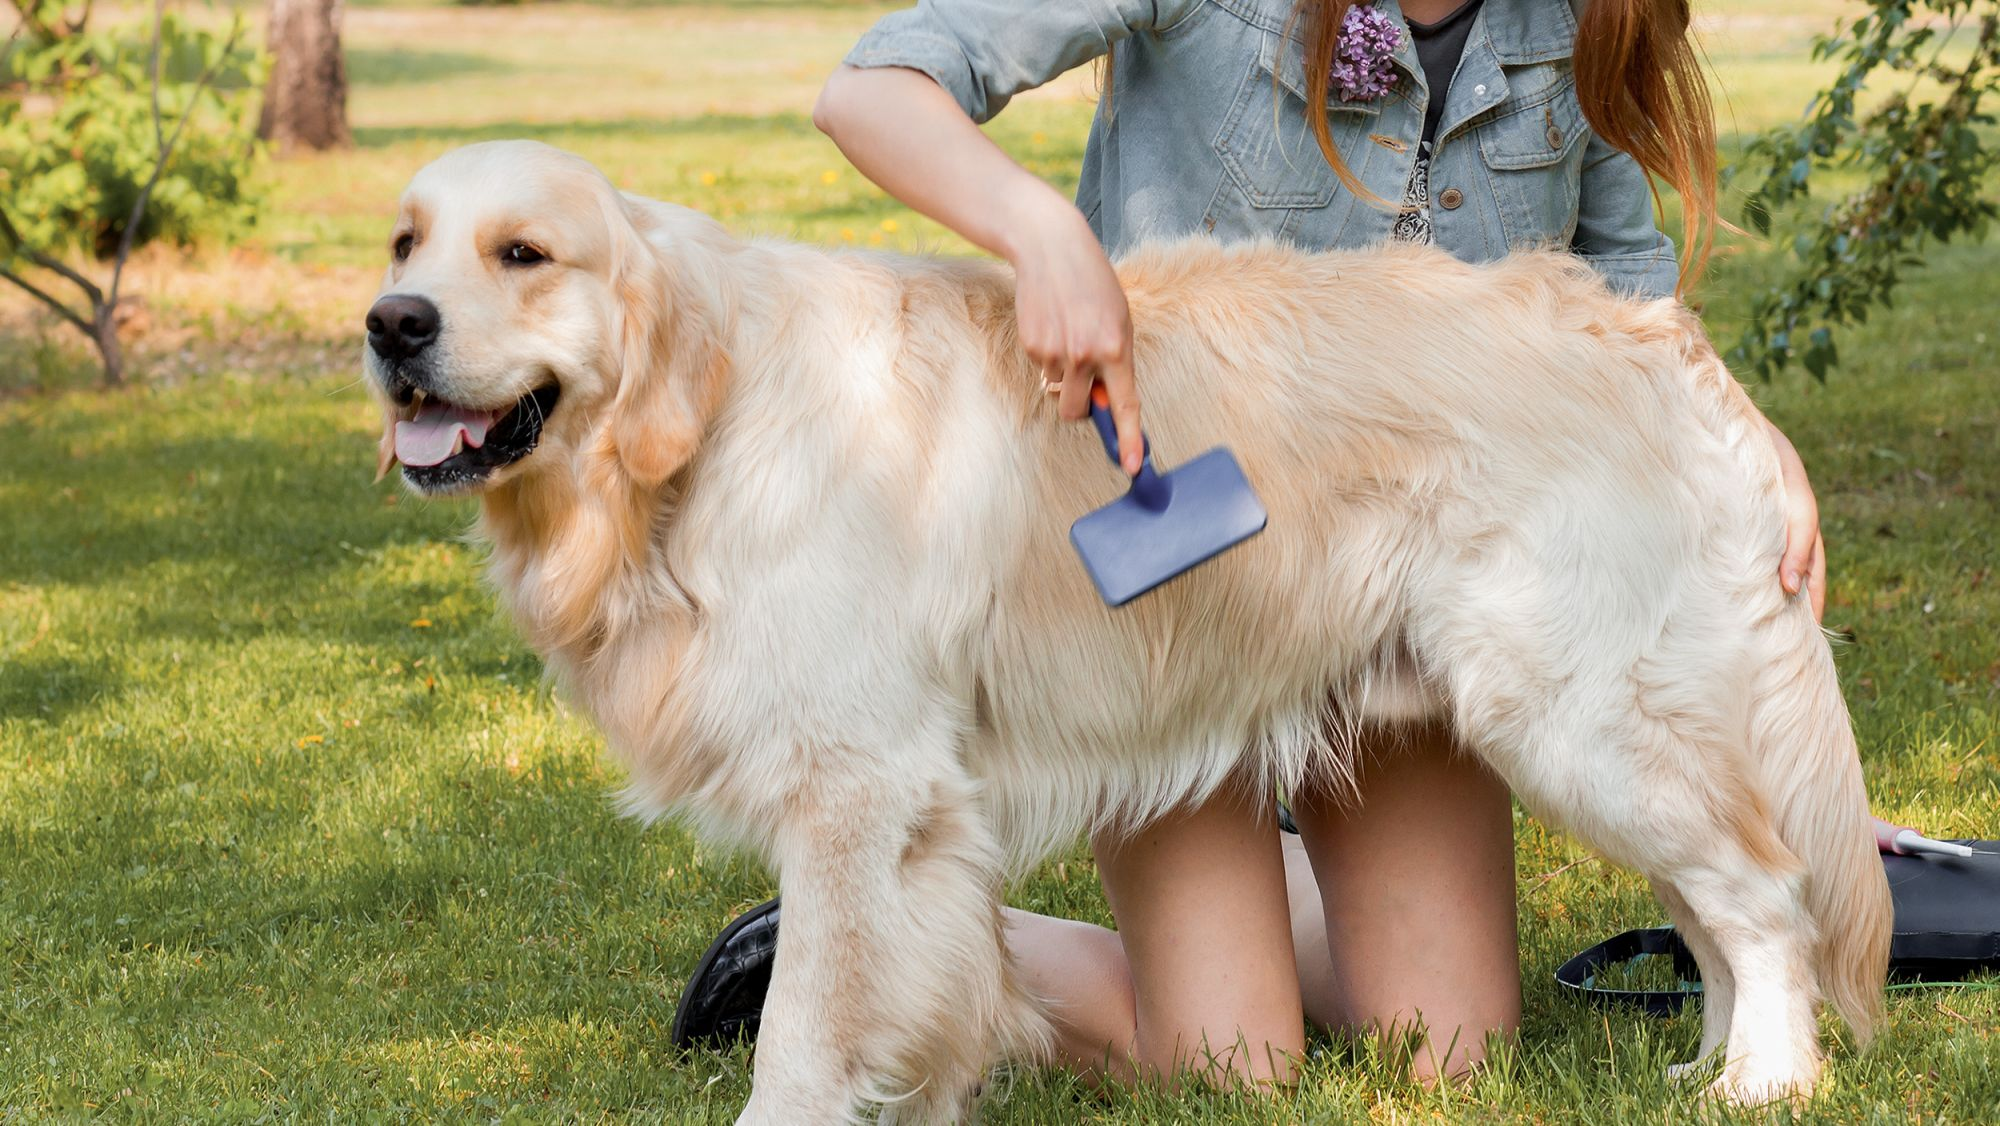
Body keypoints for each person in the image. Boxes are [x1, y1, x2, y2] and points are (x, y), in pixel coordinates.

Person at [673, 0, 1829, 1091]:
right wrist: (1041, 233)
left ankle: (956, 922)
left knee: (1450, 1050)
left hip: (1398, 573)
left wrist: (1745, 434)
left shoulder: (1572, 19)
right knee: (1229, 1065)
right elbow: (872, 89)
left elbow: (1620, 293)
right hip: (1175, 596)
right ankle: (862, 931)